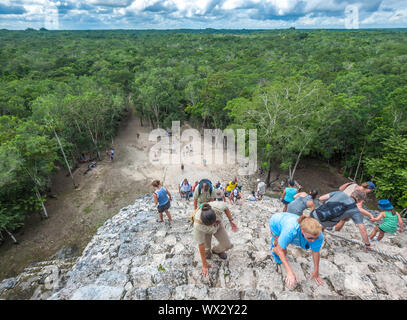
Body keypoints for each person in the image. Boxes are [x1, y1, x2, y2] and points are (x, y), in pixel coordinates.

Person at [269, 212, 324, 288]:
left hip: (288, 221)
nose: (313, 241)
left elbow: (316, 252)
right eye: (310, 238)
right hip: (276, 222)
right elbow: (281, 250)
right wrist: (290, 272)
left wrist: (316, 271)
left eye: (315, 238)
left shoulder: (318, 234)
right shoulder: (291, 230)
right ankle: (274, 247)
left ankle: (280, 244)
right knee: (281, 251)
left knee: (284, 245)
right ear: (302, 230)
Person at [192, 202, 238, 275]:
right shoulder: (198, 225)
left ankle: (216, 251)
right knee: (207, 254)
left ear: (215, 212)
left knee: (227, 245)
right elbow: (201, 244)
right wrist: (204, 264)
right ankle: (209, 252)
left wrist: (231, 220)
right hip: (205, 231)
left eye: (213, 223)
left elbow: (226, 207)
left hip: (218, 226)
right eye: (209, 225)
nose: (211, 226)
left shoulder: (217, 207)